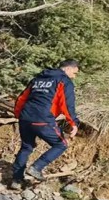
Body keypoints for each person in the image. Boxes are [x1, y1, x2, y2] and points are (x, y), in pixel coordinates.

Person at [10, 60, 80, 190]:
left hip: (25, 118)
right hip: (42, 119)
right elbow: (67, 104)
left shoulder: (38, 79)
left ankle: (16, 180)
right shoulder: (63, 81)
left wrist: (18, 114)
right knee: (61, 144)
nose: (74, 77)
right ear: (69, 69)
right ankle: (36, 167)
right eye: (74, 73)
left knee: (26, 147)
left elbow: (22, 98)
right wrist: (74, 123)